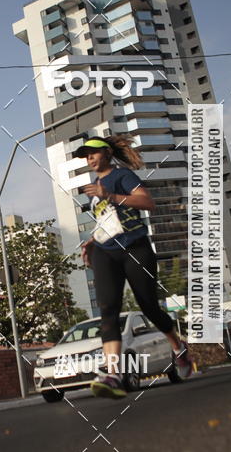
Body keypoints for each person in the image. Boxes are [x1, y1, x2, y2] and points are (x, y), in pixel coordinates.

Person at [76, 136, 194, 399]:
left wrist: (109, 195)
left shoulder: (122, 176)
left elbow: (147, 202)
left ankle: (178, 347)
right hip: (106, 251)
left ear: (107, 153)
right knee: (108, 309)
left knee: (149, 306)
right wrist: (92, 240)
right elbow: (109, 220)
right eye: (86, 156)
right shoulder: (95, 186)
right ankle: (113, 375)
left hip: (135, 248)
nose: (90, 158)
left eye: (93, 153)